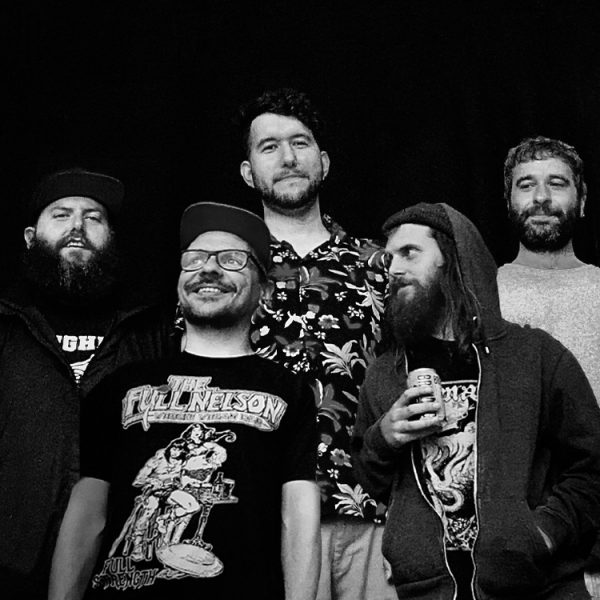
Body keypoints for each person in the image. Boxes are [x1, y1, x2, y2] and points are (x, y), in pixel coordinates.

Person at [49, 201, 320, 600]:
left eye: (232, 259)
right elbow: (87, 514)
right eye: (194, 259)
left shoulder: (290, 391)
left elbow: (298, 517)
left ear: (264, 292)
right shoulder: (119, 386)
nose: (208, 269)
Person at [352, 201, 600, 599]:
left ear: (453, 258)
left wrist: (542, 533)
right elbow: (373, 482)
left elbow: (591, 464)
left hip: (538, 589)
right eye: (390, 257)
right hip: (429, 590)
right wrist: (384, 439)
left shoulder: (535, 356)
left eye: (409, 253)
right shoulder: (386, 373)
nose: (393, 268)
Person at [237, 88, 395, 599]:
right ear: (248, 173)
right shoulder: (226, 268)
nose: (287, 157)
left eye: (300, 143)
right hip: (259, 516)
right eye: (269, 147)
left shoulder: (380, 265)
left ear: (323, 162)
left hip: (368, 510)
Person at [0, 167, 175, 599]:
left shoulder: (152, 331)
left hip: (123, 565)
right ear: (30, 237)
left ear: (111, 239)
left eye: (93, 218)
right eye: (61, 214)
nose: (77, 226)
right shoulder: (5, 325)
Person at [497, 135, 600, 597]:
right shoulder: (480, 295)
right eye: (526, 185)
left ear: (582, 199)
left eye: (557, 183)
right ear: (508, 201)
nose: (541, 197)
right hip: (508, 535)